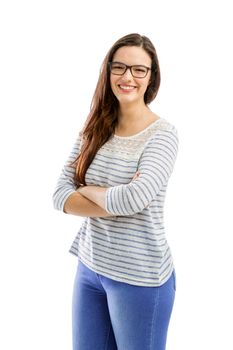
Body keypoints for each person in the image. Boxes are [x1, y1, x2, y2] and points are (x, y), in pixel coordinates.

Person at [53, 33, 179, 350]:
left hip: (139, 277)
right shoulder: (95, 126)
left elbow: (134, 199)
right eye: (119, 67)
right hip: (90, 267)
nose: (127, 77)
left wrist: (88, 188)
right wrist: (115, 195)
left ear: (151, 78)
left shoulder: (162, 136)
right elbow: (59, 195)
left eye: (139, 70)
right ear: (108, 71)